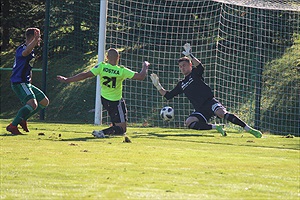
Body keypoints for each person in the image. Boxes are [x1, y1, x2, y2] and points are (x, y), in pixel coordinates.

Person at [150, 43, 262, 138]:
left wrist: (190, 55)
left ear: (190, 65)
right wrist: (158, 86)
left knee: (222, 114)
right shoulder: (182, 84)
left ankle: (248, 128)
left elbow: (200, 67)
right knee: (189, 122)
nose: (182, 68)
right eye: (180, 66)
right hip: (200, 109)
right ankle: (216, 127)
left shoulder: (195, 73)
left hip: (210, 102)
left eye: (184, 65)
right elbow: (168, 95)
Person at [57, 48, 150, 138]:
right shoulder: (121, 71)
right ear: (118, 58)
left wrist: (67, 80)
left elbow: (85, 75)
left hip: (105, 100)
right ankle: (102, 132)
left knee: (118, 125)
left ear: (106, 57)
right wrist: (145, 66)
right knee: (122, 129)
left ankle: (111, 129)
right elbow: (141, 76)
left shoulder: (101, 67)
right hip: (116, 101)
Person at [6, 28, 50, 135]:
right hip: (19, 82)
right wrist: (35, 41)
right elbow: (25, 53)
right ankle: (13, 125)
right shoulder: (23, 48)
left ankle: (23, 118)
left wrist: (30, 78)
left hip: (25, 82)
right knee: (32, 104)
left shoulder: (32, 51)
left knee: (44, 101)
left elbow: (28, 67)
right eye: (38, 38)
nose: (39, 40)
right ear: (32, 37)